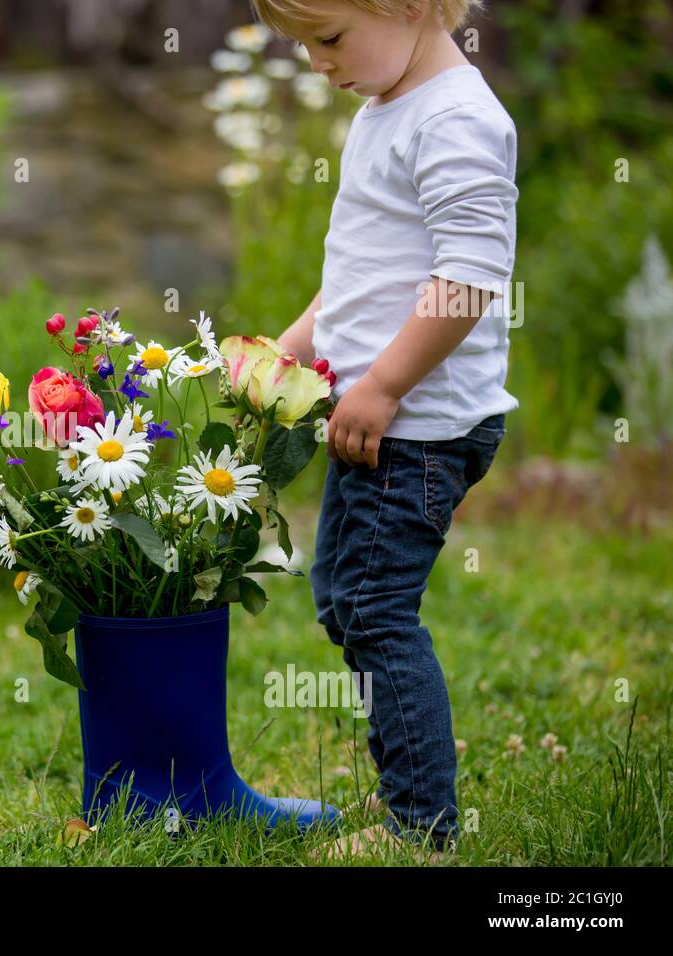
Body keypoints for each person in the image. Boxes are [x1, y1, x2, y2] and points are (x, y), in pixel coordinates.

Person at [252, 0, 518, 861]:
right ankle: (410, 803)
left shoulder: (458, 119)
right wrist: (289, 350)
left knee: (372, 609)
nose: (319, 64)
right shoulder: (385, 108)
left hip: (421, 427)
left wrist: (386, 386)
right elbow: (363, 277)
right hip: (386, 419)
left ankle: (421, 827)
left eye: (328, 38)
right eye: (304, 47)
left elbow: (468, 276)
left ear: (406, 5)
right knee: (345, 598)